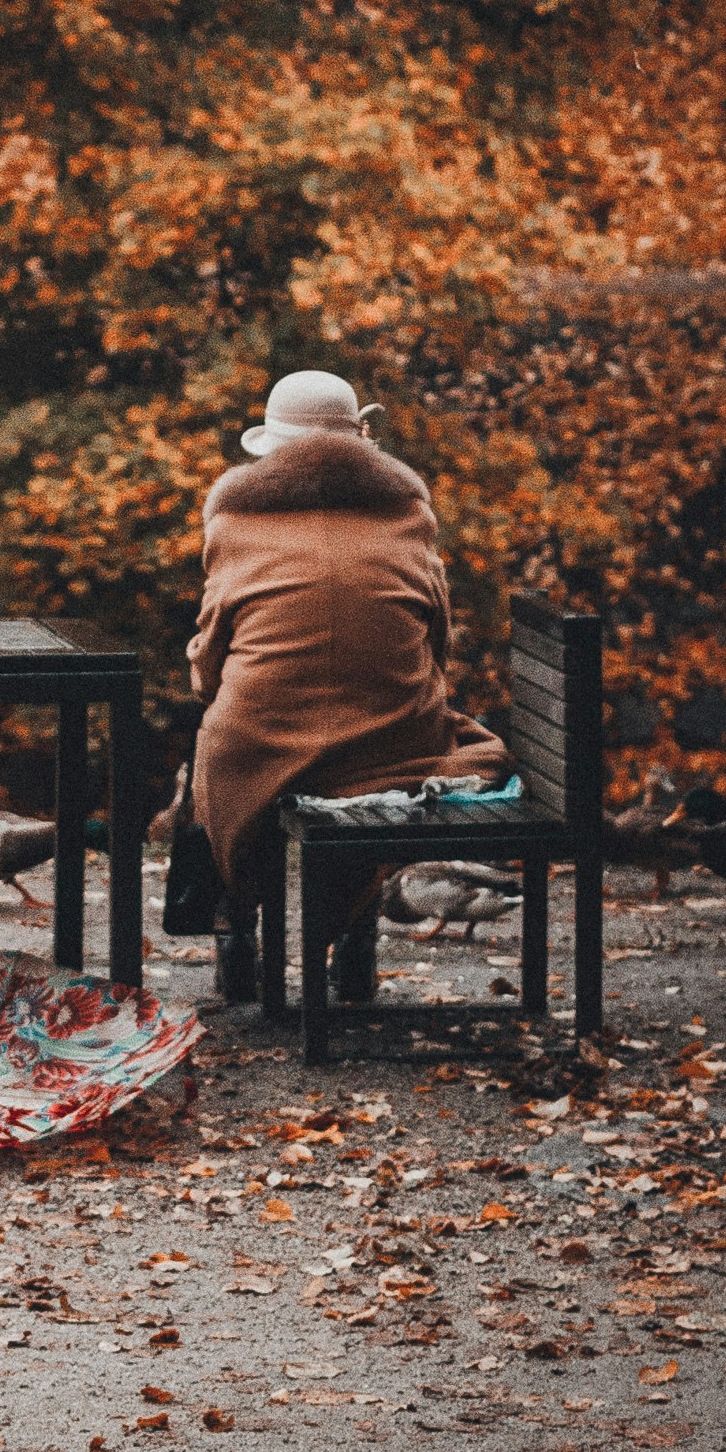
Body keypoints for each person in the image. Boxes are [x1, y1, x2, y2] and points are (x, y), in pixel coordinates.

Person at [188, 369, 509, 1002]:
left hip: (261, 745)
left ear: (271, 449)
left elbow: (212, 652)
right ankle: (356, 947)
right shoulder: (409, 517)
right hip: (393, 744)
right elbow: (437, 640)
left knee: (205, 759)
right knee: (377, 761)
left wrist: (212, 687)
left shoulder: (234, 524)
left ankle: (234, 935)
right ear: (361, 440)